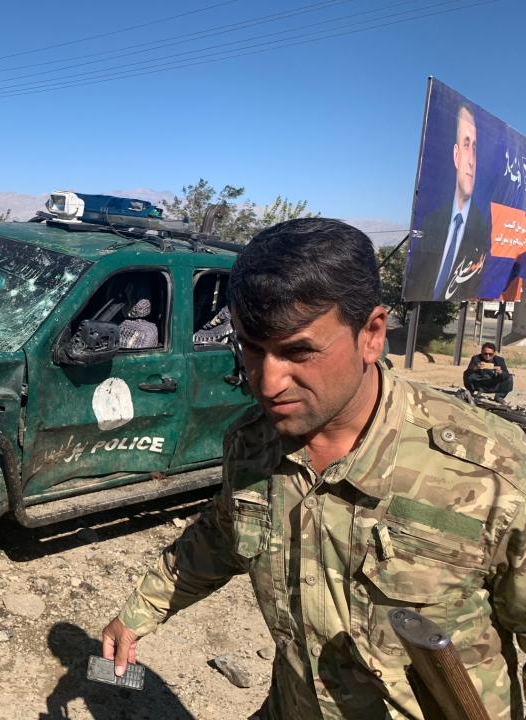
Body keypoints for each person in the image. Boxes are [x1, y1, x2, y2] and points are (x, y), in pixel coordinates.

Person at [102, 218, 526, 719]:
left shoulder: (491, 472)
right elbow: (221, 534)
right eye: (251, 348)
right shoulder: (252, 443)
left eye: (298, 351)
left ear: (370, 335)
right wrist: (137, 615)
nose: (269, 381)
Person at [404, 103, 491, 301]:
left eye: (475, 149)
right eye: (466, 145)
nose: (471, 160)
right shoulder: (431, 222)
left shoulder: (483, 229)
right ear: (456, 154)